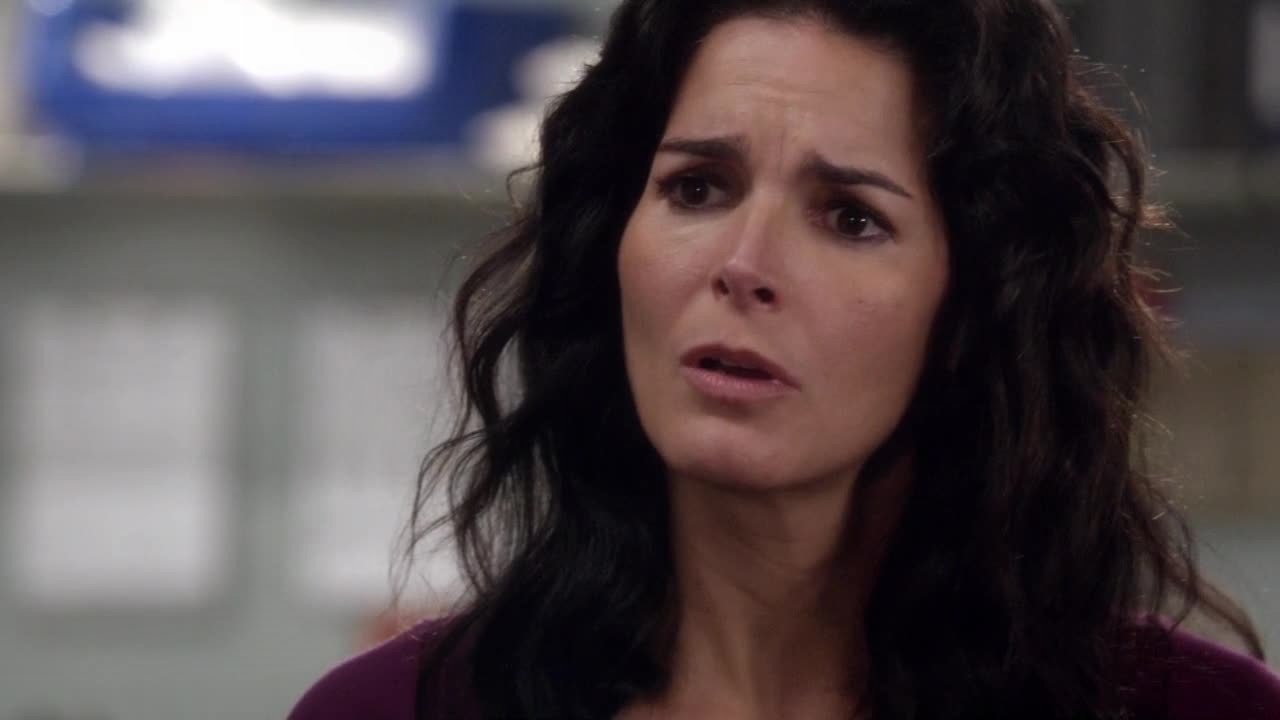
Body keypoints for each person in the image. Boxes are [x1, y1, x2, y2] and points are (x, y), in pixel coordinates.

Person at [289, 0, 1280, 718]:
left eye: (849, 217)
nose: (743, 264)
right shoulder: (396, 710)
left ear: (971, 308)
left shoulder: (1197, 710)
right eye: (697, 189)